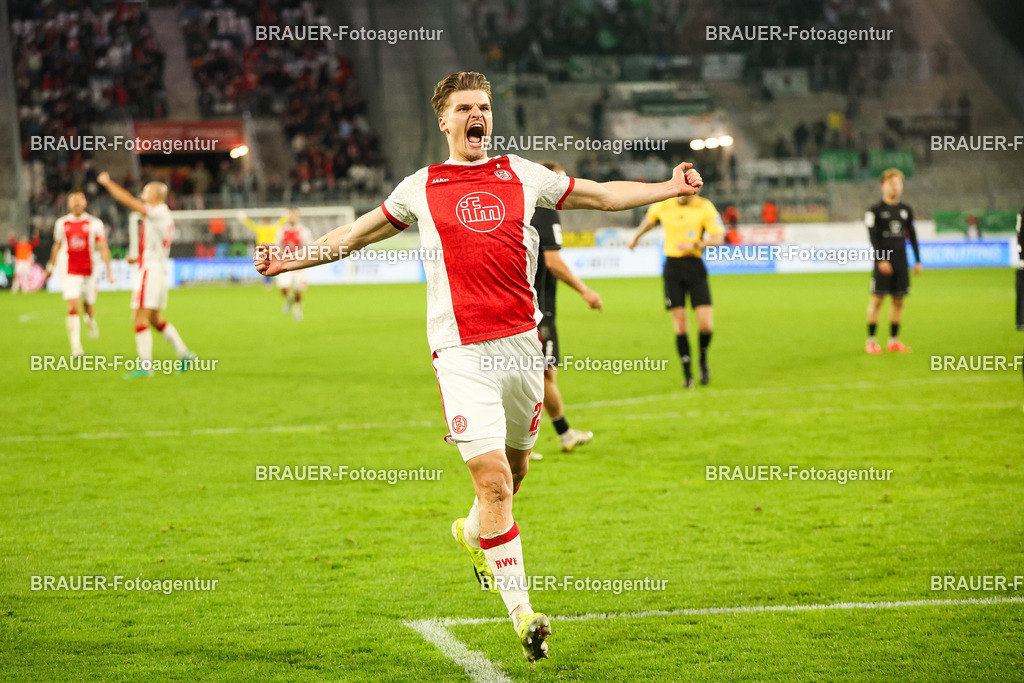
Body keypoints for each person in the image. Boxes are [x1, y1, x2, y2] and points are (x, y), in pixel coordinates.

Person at [254, 71, 703, 663]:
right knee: (493, 482)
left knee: (515, 479)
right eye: (465, 108)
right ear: (444, 121)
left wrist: (666, 186)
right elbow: (355, 235)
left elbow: (598, 193)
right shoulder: (421, 186)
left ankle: (471, 533)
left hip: (522, 346)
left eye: (484, 107)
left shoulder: (522, 174)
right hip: (461, 353)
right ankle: (524, 616)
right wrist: (292, 259)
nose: (478, 116)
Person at [530, 161, 602, 460]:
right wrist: (585, 290)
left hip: (527, 305)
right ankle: (561, 433)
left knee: (541, 374)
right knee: (542, 375)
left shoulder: (523, 210)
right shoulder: (545, 210)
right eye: (561, 183)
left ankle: (525, 441)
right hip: (538, 309)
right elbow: (554, 263)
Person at [97, 172, 197, 377]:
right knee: (155, 319)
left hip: (150, 272)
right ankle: (185, 354)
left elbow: (129, 201)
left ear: (154, 195)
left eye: (145, 190)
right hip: (157, 269)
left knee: (138, 317)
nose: (142, 194)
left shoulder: (158, 210)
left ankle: (146, 366)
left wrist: (108, 183)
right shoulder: (162, 213)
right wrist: (138, 257)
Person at [627, 194, 725, 387]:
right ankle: (687, 375)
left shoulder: (705, 207)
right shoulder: (663, 204)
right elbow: (649, 221)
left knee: (706, 325)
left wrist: (696, 244)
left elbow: (718, 238)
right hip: (672, 268)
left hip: (695, 266)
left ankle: (702, 359)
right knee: (680, 326)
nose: (685, 197)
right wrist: (636, 237)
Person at [44, 192, 114, 354]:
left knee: (88, 306)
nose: (76, 204)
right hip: (69, 271)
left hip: (89, 271)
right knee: (73, 306)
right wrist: (50, 267)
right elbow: (57, 245)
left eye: (79, 201)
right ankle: (76, 347)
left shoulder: (95, 223)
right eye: (73, 201)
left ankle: (91, 321)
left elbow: (103, 247)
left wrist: (109, 271)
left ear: (85, 203)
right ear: (68, 205)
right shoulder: (62, 223)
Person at [865, 168, 922, 354]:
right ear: (883, 186)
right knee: (877, 300)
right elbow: (873, 238)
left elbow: (912, 235)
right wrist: (882, 259)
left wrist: (917, 260)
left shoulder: (906, 210)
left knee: (899, 301)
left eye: (898, 183)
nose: (895, 187)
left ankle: (893, 340)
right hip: (882, 262)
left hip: (901, 261)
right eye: (891, 183)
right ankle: (872, 341)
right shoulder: (875, 211)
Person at [275, 209, 313, 321]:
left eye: (293, 215)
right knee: (283, 288)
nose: (291, 217)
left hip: (298, 263)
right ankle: (289, 300)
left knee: (298, 290)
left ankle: (298, 309)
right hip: (284, 262)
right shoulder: (281, 231)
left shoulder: (304, 231)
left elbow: (310, 246)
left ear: (298, 217)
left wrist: (306, 262)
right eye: (290, 215)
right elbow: (276, 245)